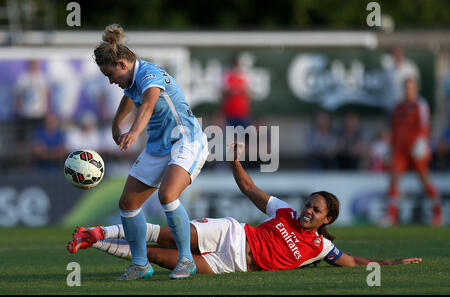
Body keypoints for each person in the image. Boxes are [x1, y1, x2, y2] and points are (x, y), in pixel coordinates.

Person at [68, 142, 422, 274]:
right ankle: (103, 230)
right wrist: (236, 159)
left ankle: (93, 240)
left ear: (327, 219)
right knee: (170, 237)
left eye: (316, 210)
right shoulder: (284, 212)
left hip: (232, 264)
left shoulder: (321, 248)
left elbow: (354, 262)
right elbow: (250, 188)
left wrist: (392, 263)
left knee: (162, 259)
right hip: (231, 232)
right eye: (309, 204)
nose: (308, 211)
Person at [90, 24, 209, 280]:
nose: (111, 81)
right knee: (128, 204)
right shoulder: (131, 80)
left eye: (110, 75)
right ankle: (141, 264)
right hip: (158, 145)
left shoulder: (149, 74)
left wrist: (133, 131)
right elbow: (129, 99)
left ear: (122, 64)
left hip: (186, 140)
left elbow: (148, 103)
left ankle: (186, 260)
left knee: (167, 195)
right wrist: (115, 123)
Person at [384, 77, 442, 226]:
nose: (407, 90)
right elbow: (394, 129)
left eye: (410, 87)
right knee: (394, 179)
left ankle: (437, 212)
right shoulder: (398, 107)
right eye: (406, 87)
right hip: (400, 149)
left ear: (415, 88)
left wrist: (422, 141)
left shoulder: (420, 104)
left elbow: (425, 125)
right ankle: (391, 215)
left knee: (423, 178)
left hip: (416, 148)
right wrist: (391, 147)